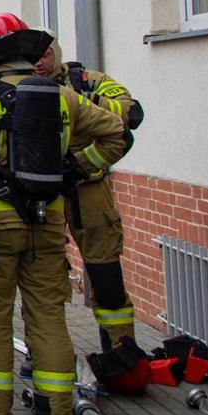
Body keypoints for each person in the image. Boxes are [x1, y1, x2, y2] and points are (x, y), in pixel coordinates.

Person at [0, 14, 127, 415]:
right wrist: (77, 169)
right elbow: (118, 132)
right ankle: (56, 413)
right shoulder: (62, 97)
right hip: (48, 223)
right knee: (49, 317)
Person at [38, 41, 143, 350]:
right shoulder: (23, 87)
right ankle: (45, 352)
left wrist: (82, 102)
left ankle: (122, 351)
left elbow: (131, 113)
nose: (39, 63)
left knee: (106, 274)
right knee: (45, 277)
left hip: (89, 190)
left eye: (45, 55)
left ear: (55, 53)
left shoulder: (87, 81)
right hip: (48, 194)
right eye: (33, 57)